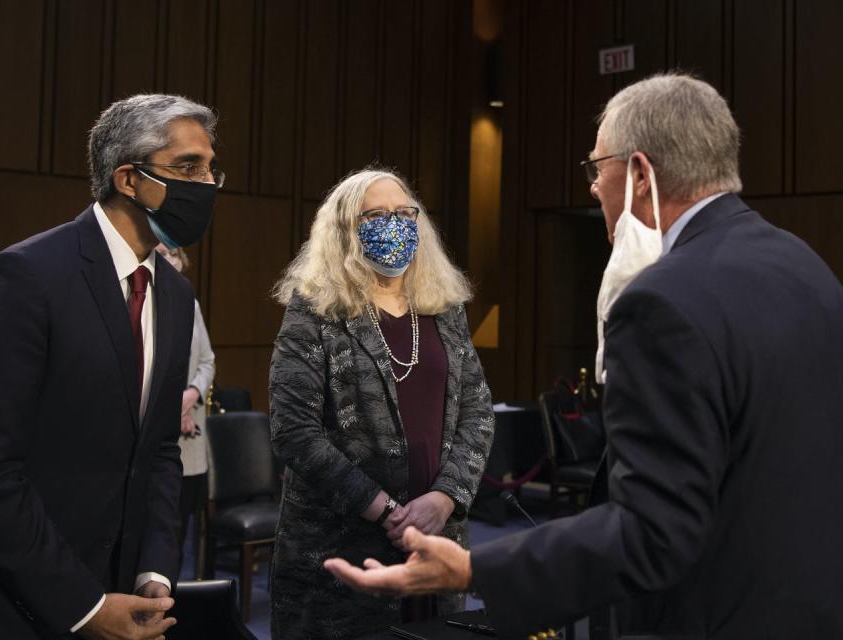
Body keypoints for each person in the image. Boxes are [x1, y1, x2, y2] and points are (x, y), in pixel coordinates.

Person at [325, 73, 843, 638]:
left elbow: (654, 531)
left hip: (712, 612)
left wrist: (475, 569)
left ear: (640, 173)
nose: (594, 187)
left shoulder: (661, 301)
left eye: (599, 167)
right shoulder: (807, 267)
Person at [0, 94, 224, 639]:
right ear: (129, 178)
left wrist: (154, 569)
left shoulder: (173, 290)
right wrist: (84, 605)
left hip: (119, 594)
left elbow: (161, 448)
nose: (209, 183)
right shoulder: (25, 276)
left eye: (213, 168)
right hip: (3, 601)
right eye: (189, 167)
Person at [268, 168, 495, 639]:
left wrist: (446, 497)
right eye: (375, 214)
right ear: (345, 231)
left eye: (403, 212)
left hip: (436, 541)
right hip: (342, 550)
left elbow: (477, 408)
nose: (393, 223)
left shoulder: (443, 306)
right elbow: (294, 432)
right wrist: (386, 510)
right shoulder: (313, 309)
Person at [156, 243, 216, 573]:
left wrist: (191, 393)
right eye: (162, 253)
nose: (170, 260)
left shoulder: (190, 304)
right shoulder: (142, 301)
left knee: (181, 526)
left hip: (190, 432)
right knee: (157, 529)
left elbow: (207, 360)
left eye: (175, 253)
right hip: (158, 431)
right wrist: (172, 409)